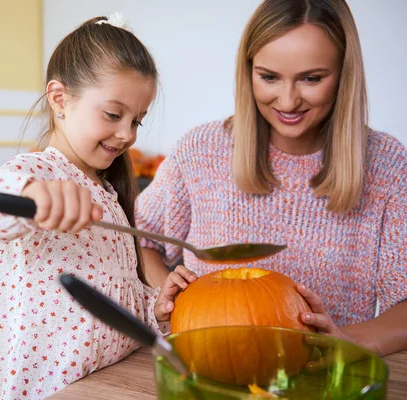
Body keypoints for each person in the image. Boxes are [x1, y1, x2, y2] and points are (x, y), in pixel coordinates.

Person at [0, 14, 195, 400]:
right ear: (59, 99)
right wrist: (31, 195)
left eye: (137, 121)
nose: (127, 134)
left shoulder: (109, 197)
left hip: (104, 385)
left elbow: (115, 302)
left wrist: (156, 308)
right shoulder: (34, 174)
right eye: (113, 114)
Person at [136, 0, 407, 359]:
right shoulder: (200, 151)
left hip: (323, 381)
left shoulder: (388, 166)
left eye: (312, 78)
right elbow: (139, 238)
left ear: (344, 74)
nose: (288, 100)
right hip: (209, 369)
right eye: (269, 77)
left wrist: (350, 340)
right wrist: (165, 292)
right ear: (248, 72)